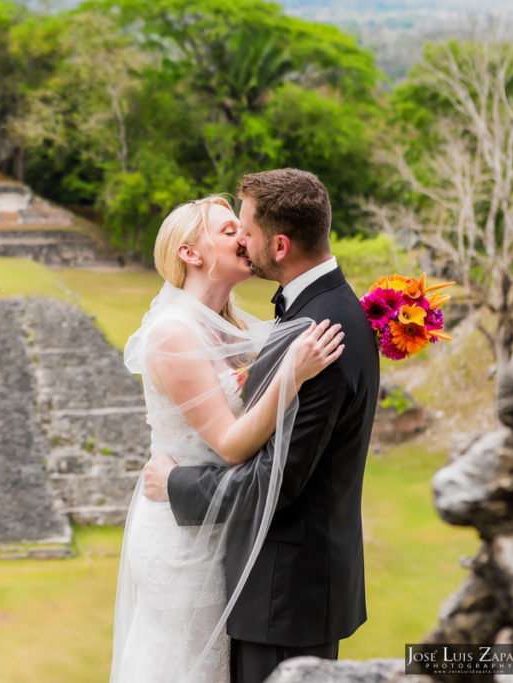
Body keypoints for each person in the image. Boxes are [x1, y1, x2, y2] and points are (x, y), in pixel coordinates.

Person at [142, 169, 380, 683]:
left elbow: (279, 481)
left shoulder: (319, 334)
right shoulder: (309, 316)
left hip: (283, 591)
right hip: (244, 572)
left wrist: (176, 483)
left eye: (242, 230)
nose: (242, 242)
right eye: (228, 231)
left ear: (278, 243)